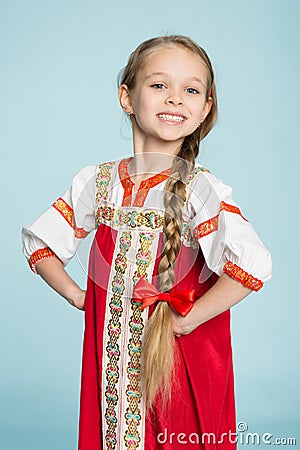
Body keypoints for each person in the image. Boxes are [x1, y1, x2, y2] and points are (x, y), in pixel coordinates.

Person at [22, 35, 272, 450]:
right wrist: (81, 298)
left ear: (204, 108)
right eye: (159, 85)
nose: (175, 99)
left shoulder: (201, 190)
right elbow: (40, 241)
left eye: (191, 90)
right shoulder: (98, 182)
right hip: (111, 357)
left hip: (176, 359)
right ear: (127, 96)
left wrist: (188, 319)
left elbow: (253, 265)